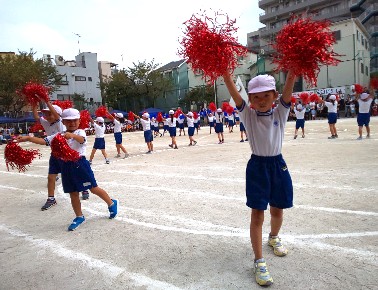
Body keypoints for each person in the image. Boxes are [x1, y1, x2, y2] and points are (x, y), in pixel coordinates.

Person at [223, 70, 296, 287]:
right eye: (256, 97)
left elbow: (289, 86)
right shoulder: (248, 116)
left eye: (266, 95)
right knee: (257, 215)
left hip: (277, 165)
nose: (261, 100)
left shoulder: (280, 113)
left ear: (274, 96)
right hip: (257, 167)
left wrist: (293, 70)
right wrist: (226, 75)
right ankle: (259, 260)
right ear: (251, 101)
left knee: (278, 210)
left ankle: (273, 237)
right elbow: (236, 95)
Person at [17, 108, 118, 231]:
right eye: (68, 121)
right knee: (73, 193)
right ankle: (79, 216)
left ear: (79, 121)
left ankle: (111, 203)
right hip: (66, 166)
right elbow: (44, 141)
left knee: (93, 188)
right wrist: (28, 138)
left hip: (80, 165)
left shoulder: (81, 132)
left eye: (75, 120)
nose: (72, 123)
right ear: (63, 122)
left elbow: (81, 140)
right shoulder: (58, 135)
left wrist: (72, 136)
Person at [32, 102, 66, 210]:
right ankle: (51, 199)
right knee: (51, 176)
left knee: (72, 174)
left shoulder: (60, 123)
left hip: (65, 154)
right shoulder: (46, 123)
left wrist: (46, 101)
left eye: (49, 114)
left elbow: (56, 116)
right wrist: (34, 104)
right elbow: (37, 117)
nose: (47, 116)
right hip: (55, 154)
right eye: (46, 114)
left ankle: (84, 189)